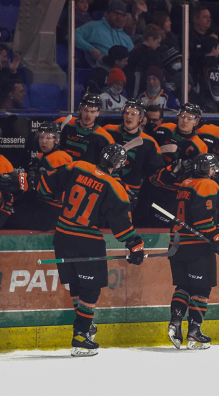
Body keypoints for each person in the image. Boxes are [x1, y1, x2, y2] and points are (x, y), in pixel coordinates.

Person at [38, 143, 146, 356]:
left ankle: (85, 326)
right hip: (86, 240)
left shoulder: (77, 166)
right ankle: (80, 335)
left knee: (77, 284)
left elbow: (44, 185)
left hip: (62, 236)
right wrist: (134, 244)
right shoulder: (114, 186)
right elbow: (121, 223)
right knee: (90, 288)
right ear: (118, 165)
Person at [166, 153, 219, 350]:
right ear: (206, 169)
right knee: (201, 289)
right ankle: (194, 332)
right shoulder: (207, 185)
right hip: (196, 245)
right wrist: (216, 234)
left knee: (183, 286)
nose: (215, 172)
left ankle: (175, 322)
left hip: (176, 245)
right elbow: (202, 219)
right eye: (213, 168)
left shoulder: (186, 183)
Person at [144, 103, 208, 227]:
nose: (185, 121)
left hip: (171, 194)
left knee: (160, 230)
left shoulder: (200, 146)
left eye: (190, 118)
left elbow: (197, 178)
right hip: (150, 186)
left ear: (196, 121)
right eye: (183, 116)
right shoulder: (163, 129)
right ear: (178, 116)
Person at [2, 122, 72, 231]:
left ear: (57, 140)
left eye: (48, 138)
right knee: (6, 211)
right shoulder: (40, 157)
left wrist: (27, 182)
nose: (43, 141)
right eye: (41, 137)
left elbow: (55, 189)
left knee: (7, 218)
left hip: (53, 211)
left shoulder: (60, 158)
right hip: (38, 203)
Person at [103, 99, 165, 193]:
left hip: (131, 191)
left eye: (133, 114)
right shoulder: (108, 131)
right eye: (126, 112)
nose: (129, 117)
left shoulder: (149, 142)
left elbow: (155, 172)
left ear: (141, 118)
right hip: (106, 184)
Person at [58, 93, 115, 163]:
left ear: (98, 113)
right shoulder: (63, 123)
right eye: (86, 110)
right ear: (80, 109)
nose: (88, 115)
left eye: (92, 112)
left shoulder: (105, 138)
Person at [75, 0, 134, 67]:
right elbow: (73, 36)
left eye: (122, 15)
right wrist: (91, 49)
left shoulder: (126, 37)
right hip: (101, 69)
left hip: (121, 72)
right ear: (108, 13)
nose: (119, 17)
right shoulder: (93, 26)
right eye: (116, 13)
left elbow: (131, 57)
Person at [126, 24, 164, 98]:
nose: (158, 45)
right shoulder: (151, 54)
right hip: (142, 89)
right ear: (151, 39)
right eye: (158, 42)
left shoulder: (134, 50)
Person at [198, 35, 219, 113]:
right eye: (218, 48)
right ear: (213, 49)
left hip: (201, 97)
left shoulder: (200, 62)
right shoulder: (213, 65)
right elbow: (214, 84)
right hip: (210, 102)